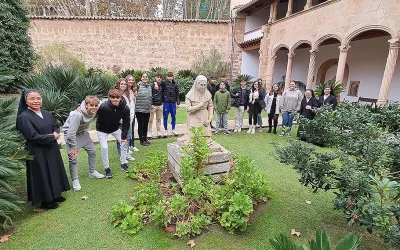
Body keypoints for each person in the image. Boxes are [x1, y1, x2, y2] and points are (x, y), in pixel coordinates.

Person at [16, 89, 70, 209]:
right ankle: (46, 201)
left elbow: (55, 126)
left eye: (38, 98)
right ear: (26, 101)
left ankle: (56, 194)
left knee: (54, 169)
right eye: (32, 99)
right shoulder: (23, 117)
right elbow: (32, 136)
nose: (36, 101)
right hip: (37, 150)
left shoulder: (46, 113)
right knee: (42, 173)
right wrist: (52, 136)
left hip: (51, 148)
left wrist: (55, 132)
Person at [63, 96, 105, 191]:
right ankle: (75, 180)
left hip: (82, 133)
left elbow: (104, 101)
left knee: (93, 152)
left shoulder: (95, 109)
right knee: (73, 158)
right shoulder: (77, 115)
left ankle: (92, 172)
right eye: (91, 105)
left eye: (96, 105)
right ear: (86, 105)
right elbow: (70, 133)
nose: (94, 107)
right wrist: (74, 147)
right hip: (71, 136)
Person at [96, 89, 130, 178]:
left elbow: (126, 123)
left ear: (120, 98)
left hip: (115, 128)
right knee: (104, 147)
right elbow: (91, 106)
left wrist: (124, 137)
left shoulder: (125, 108)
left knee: (124, 143)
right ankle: (107, 168)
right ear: (109, 98)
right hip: (102, 129)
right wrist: (79, 106)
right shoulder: (103, 107)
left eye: (117, 97)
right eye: (112, 97)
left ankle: (123, 162)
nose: (115, 99)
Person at [115, 78, 135, 161]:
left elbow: (131, 106)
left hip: (128, 119)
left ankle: (127, 153)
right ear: (118, 85)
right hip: (119, 121)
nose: (123, 85)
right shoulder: (116, 94)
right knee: (120, 138)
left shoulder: (128, 93)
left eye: (124, 84)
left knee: (128, 136)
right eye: (121, 84)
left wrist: (131, 116)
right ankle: (122, 155)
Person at [136, 73, 153, 146]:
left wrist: (151, 104)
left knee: (146, 124)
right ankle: (141, 140)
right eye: (143, 77)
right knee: (141, 124)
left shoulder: (149, 87)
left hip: (147, 109)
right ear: (141, 78)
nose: (145, 78)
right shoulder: (138, 86)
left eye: (146, 77)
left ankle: (145, 138)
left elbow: (150, 97)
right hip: (139, 109)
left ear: (148, 78)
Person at [161, 72, 179, 136]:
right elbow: (157, 80)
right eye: (168, 76)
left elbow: (177, 94)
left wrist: (178, 103)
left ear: (173, 77)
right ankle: (165, 129)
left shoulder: (175, 84)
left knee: (173, 116)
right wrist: (155, 83)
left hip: (173, 102)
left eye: (171, 76)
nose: (169, 77)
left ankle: (173, 129)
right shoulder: (164, 83)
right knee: (165, 116)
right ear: (166, 77)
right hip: (166, 102)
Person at [126, 75, 139, 152]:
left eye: (132, 80)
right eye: (129, 80)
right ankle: (127, 147)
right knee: (127, 130)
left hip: (132, 112)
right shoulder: (125, 91)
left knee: (132, 130)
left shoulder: (133, 90)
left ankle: (132, 145)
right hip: (126, 113)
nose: (131, 81)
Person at [148, 73, 163, 138]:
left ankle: (158, 130)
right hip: (153, 105)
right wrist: (151, 104)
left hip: (160, 104)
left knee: (159, 119)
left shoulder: (162, 85)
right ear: (155, 78)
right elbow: (149, 94)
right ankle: (149, 131)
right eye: (157, 77)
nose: (159, 78)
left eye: (160, 77)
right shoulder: (152, 85)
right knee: (150, 119)